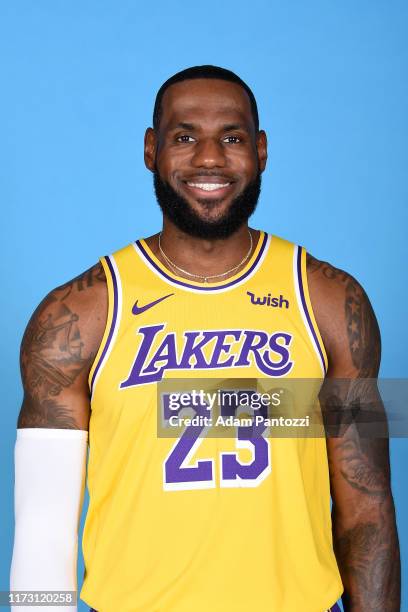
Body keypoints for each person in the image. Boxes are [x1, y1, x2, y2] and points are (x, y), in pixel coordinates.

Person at [10, 65, 400, 612]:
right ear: (152, 150)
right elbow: (44, 522)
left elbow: (368, 506)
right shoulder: (78, 313)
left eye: (232, 138)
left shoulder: (331, 302)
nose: (210, 158)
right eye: (185, 136)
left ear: (261, 151)